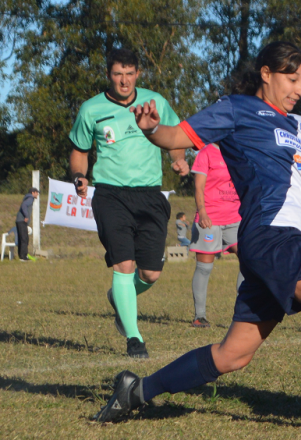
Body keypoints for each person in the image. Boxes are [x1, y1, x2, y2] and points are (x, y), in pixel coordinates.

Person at [92, 42, 301, 439]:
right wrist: (151, 129)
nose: (299, 89)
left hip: (277, 242)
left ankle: (136, 391)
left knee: (232, 355)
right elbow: (177, 135)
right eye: (291, 79)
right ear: (266, 73)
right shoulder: (237, 108)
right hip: (273, 235)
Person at [68, 48, 189, 358]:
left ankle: (119, 297)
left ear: (138, 74)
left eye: (129, 73)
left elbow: (175, 137)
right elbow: (80, 150)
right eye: (118, 74)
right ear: (109, 74)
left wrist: (177, 159)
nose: (124, 80)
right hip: (110, 195)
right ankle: (135, 339)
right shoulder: (91, 109)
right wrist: (79, 175)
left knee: (150, 274)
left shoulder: (155, 101)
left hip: (150, 195)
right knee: (123, 264)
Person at [188, 142, 243, 328]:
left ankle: (242, 312)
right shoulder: (206, 153)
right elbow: (198, 187)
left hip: (235, 218)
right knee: (204, 268)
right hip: (210, 219)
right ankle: (200, 316)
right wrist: (202, 211)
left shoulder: (238, 150)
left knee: (250, 260)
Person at [15, 187, 38, 262]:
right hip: (22, 221)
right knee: (24, 239)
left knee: (22, 238)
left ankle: (22, 255)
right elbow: (24, 205)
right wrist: (26, 216)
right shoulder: (30, 198)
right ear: (33, 193)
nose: (37, 194)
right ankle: (23, 257)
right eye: (36, 192)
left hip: (19, 221)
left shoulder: (27, 197)